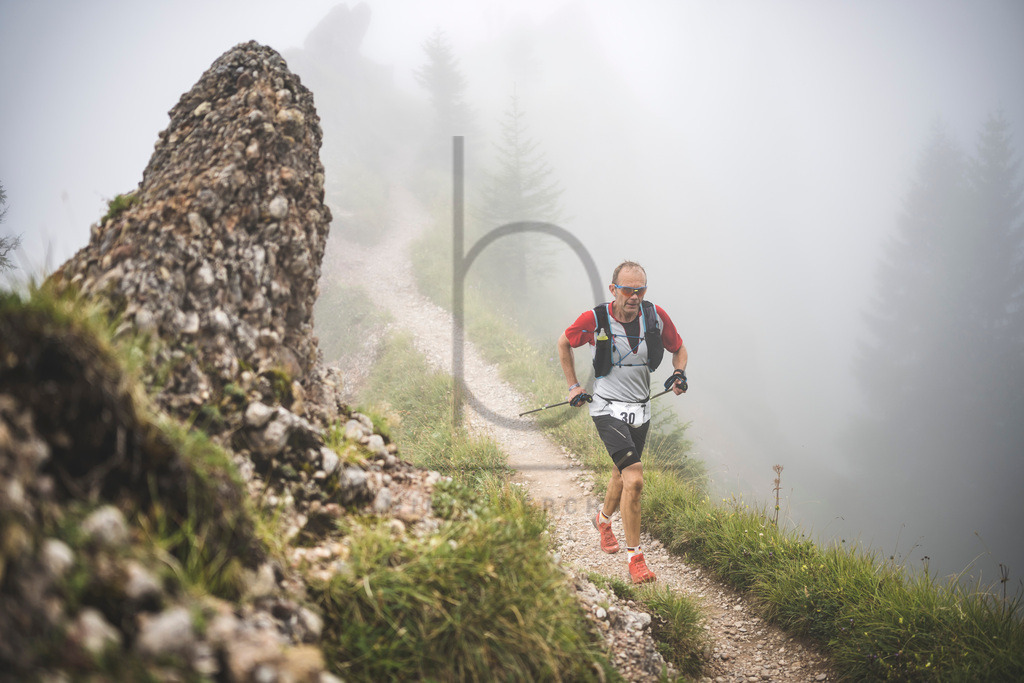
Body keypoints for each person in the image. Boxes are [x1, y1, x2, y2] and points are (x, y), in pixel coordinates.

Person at [556, 260, 687, 584]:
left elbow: (679, 348)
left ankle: (603, 521)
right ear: (613, 289)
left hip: (641, 409)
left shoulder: (654, 316)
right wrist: (573, 386)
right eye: (628, 290)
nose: (634, 296)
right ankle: (635, 559)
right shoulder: (596, 319)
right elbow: (564, 342)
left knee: (620, 474)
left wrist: (679, 374)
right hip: (606, 408)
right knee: (635, 479)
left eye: (640, 289)